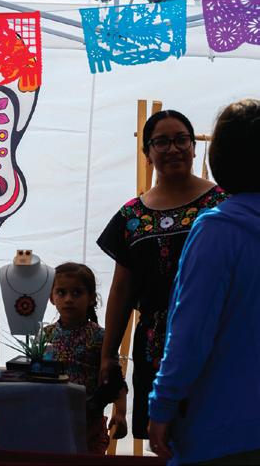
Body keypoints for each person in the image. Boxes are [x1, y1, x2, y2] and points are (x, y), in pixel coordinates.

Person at [97, 110, 228, 440]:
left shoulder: (222, 203)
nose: (173, 149)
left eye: (182, 140)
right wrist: (108, 355)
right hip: (155, 349)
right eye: (162, 142)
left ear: (194, 147)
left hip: (216, 342)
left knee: (214, 437)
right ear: (147, 153)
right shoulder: (132, 216)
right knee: (163, 443)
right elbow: (122, 290)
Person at [148, 99, 260, 464]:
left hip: (225, 428)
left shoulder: (219, 229)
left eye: (182, 140)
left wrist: (162, 404)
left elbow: (191, 333)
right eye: (161, 142)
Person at [44, 262, 127, 454]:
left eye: (77, 293)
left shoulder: (101, 337)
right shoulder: (45, 336)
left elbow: (116, 380)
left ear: (91, 298)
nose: (68, 299)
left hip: (89, 425)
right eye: (61, 292)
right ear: (51, 298)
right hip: (52, 420)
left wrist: (121, 413)